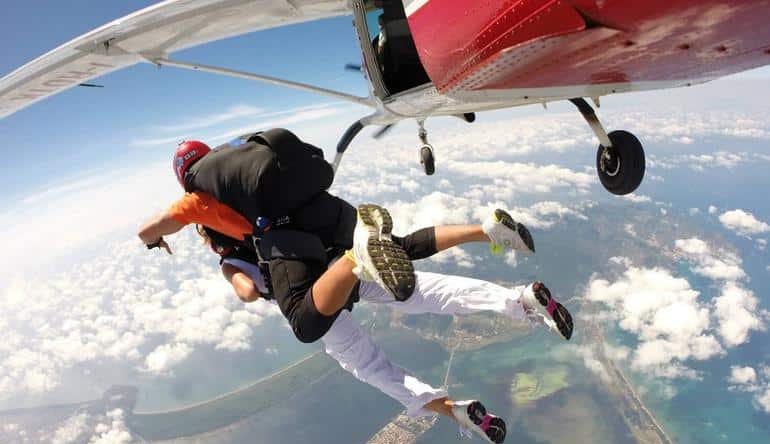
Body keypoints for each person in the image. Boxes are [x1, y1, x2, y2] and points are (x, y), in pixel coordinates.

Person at [138, 133, 553, 348]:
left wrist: (155, 241)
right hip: (325, 208)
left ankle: (359, 258)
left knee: (305, 322)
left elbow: (150, 227)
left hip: (290, 237)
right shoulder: (242, 163)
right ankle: (486, 230)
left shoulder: (197, 200)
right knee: (401, 246)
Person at [198, 208, 574, 444]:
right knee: (431, 288)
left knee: (372, 367)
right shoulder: (268, 221)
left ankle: (454, 411)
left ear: (212, 239)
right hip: (343, 266)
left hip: (319, 303)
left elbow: (247, 291)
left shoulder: (233, 257)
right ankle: (516, 293)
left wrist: (238, 278)